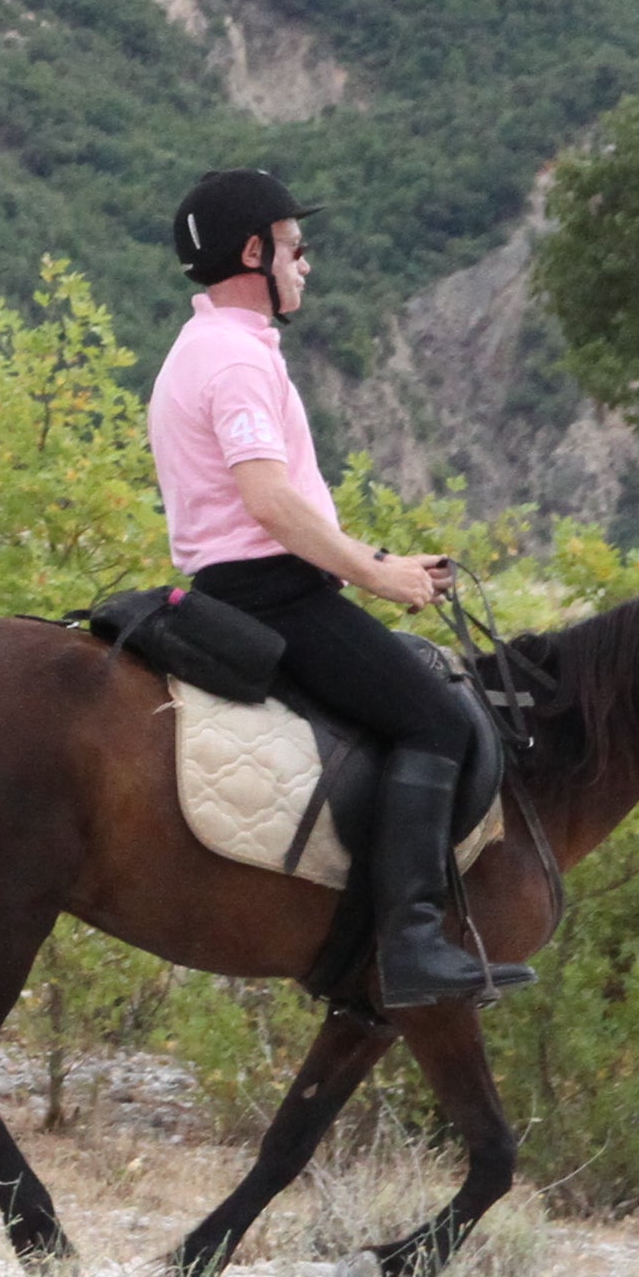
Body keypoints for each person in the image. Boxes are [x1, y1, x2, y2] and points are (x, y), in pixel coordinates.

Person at [148, 167, 527, 1007]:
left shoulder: (204, 349)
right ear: (254, 253)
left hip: (261, 580)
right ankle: (412, 943)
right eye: (295, 247)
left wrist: (365, 555)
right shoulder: (235, 361)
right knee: (436, 720)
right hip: (271, 594)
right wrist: (377, 575)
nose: (305, 264)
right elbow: (268, 500)